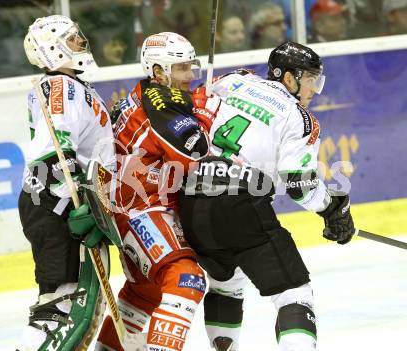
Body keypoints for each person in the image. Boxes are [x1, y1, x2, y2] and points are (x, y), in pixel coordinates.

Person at [178, 42, 356, 351]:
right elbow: (300, 186)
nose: (314, 89)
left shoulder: (235, 79)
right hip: (240, 203)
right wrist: (331, 209)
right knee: (294, 294)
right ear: (289, 78)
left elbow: (195, 105)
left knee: (226, 282)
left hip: (190, 198)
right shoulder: (299, 119)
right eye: (310, 79)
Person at [95, 32, 211, 351]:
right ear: (158, 72)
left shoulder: (143, 93)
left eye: (191, 67)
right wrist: (203, 113)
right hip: (140, 211)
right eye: (181, 69)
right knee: (186, 278)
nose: (190, 76)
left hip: (125, 210)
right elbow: (195, 157)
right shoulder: (163, 107)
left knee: (144, 293)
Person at [18, 15, 116, 350]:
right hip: (54, 199)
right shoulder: (60, 86)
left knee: (72, 303)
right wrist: (73, 197)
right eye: (72, 38)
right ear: (53, 49)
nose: (80, 42)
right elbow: (53, 151)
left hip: (61, 197)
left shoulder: (76, 87)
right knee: (56, 303)